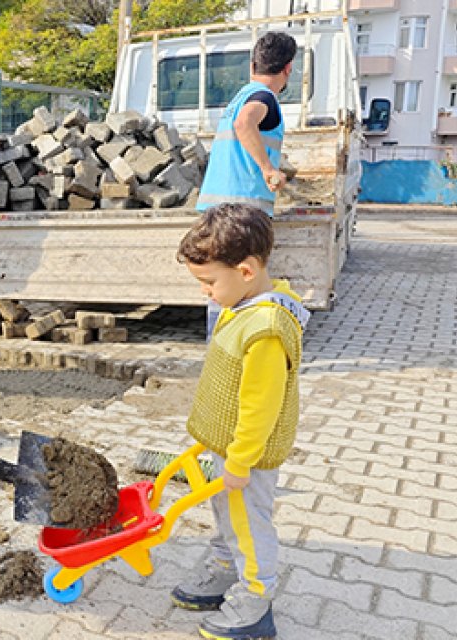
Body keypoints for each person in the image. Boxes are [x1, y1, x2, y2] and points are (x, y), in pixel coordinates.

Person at [171, 204, 310, 640]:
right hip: (227, 449)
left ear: (246, 271)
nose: (206, 292)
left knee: (249, 524)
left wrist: (240, 461)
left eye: (209, 282)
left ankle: (254, 601)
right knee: (229, 517)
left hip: (245, 455)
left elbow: (260, 406)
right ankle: (226, 568)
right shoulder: (242, 304)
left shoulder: (266, 327)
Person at [195, 31, 297, 338]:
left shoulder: (239, 96)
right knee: (244, 285)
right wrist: (268, 168)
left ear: (253, 65)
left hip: (217, 208)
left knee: (220, 284)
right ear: (288, 69)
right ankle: (241, 347)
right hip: (244, 211)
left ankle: (222, 347)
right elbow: (245, 124)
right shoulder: (264, 98)